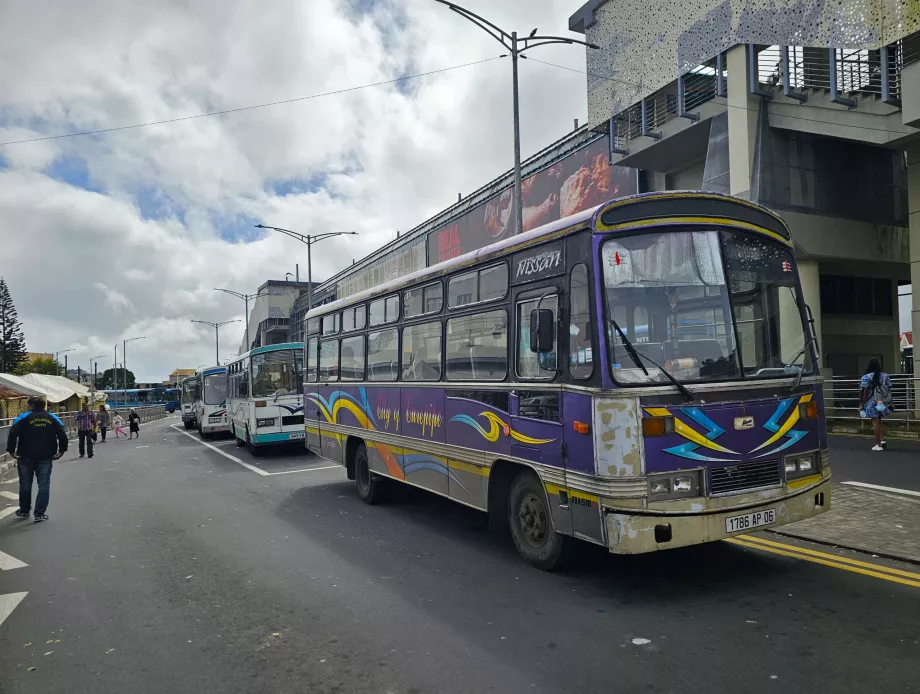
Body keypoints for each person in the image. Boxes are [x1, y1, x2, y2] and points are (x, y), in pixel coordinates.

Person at [6, 397, 68, 522]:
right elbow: (62, 433)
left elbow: (13, 432)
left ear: (32, 406)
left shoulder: (23, 418)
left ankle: (24, 511)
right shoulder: (52, 418)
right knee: (44, 485)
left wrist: (11, 450)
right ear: (44, 405)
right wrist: (61, 450)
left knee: (25, 485)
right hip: (45, 457)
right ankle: (39, 513)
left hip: (25, 456)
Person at [859, 358, 892, 452]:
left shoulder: (866, 377)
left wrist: (862, 403)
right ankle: (882, 440)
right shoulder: (885, 376)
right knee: (880, 421)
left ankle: (879, 445)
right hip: (882, 402)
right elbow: (889, 388)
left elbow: (864, 392)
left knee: (875, 423)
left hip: (872, 402)